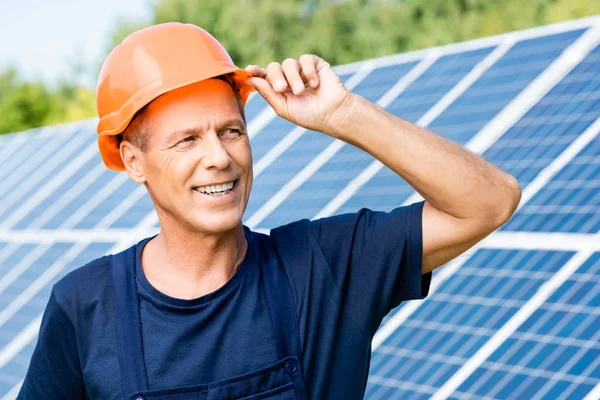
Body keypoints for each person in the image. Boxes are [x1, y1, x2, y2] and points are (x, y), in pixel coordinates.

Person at [18, 22, 521, 400]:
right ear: (133, 161)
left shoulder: (325, 266)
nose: (218, 157)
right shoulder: (84, 307)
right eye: (187, 140)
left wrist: (344, 114)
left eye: (231, 131)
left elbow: (490, 201)